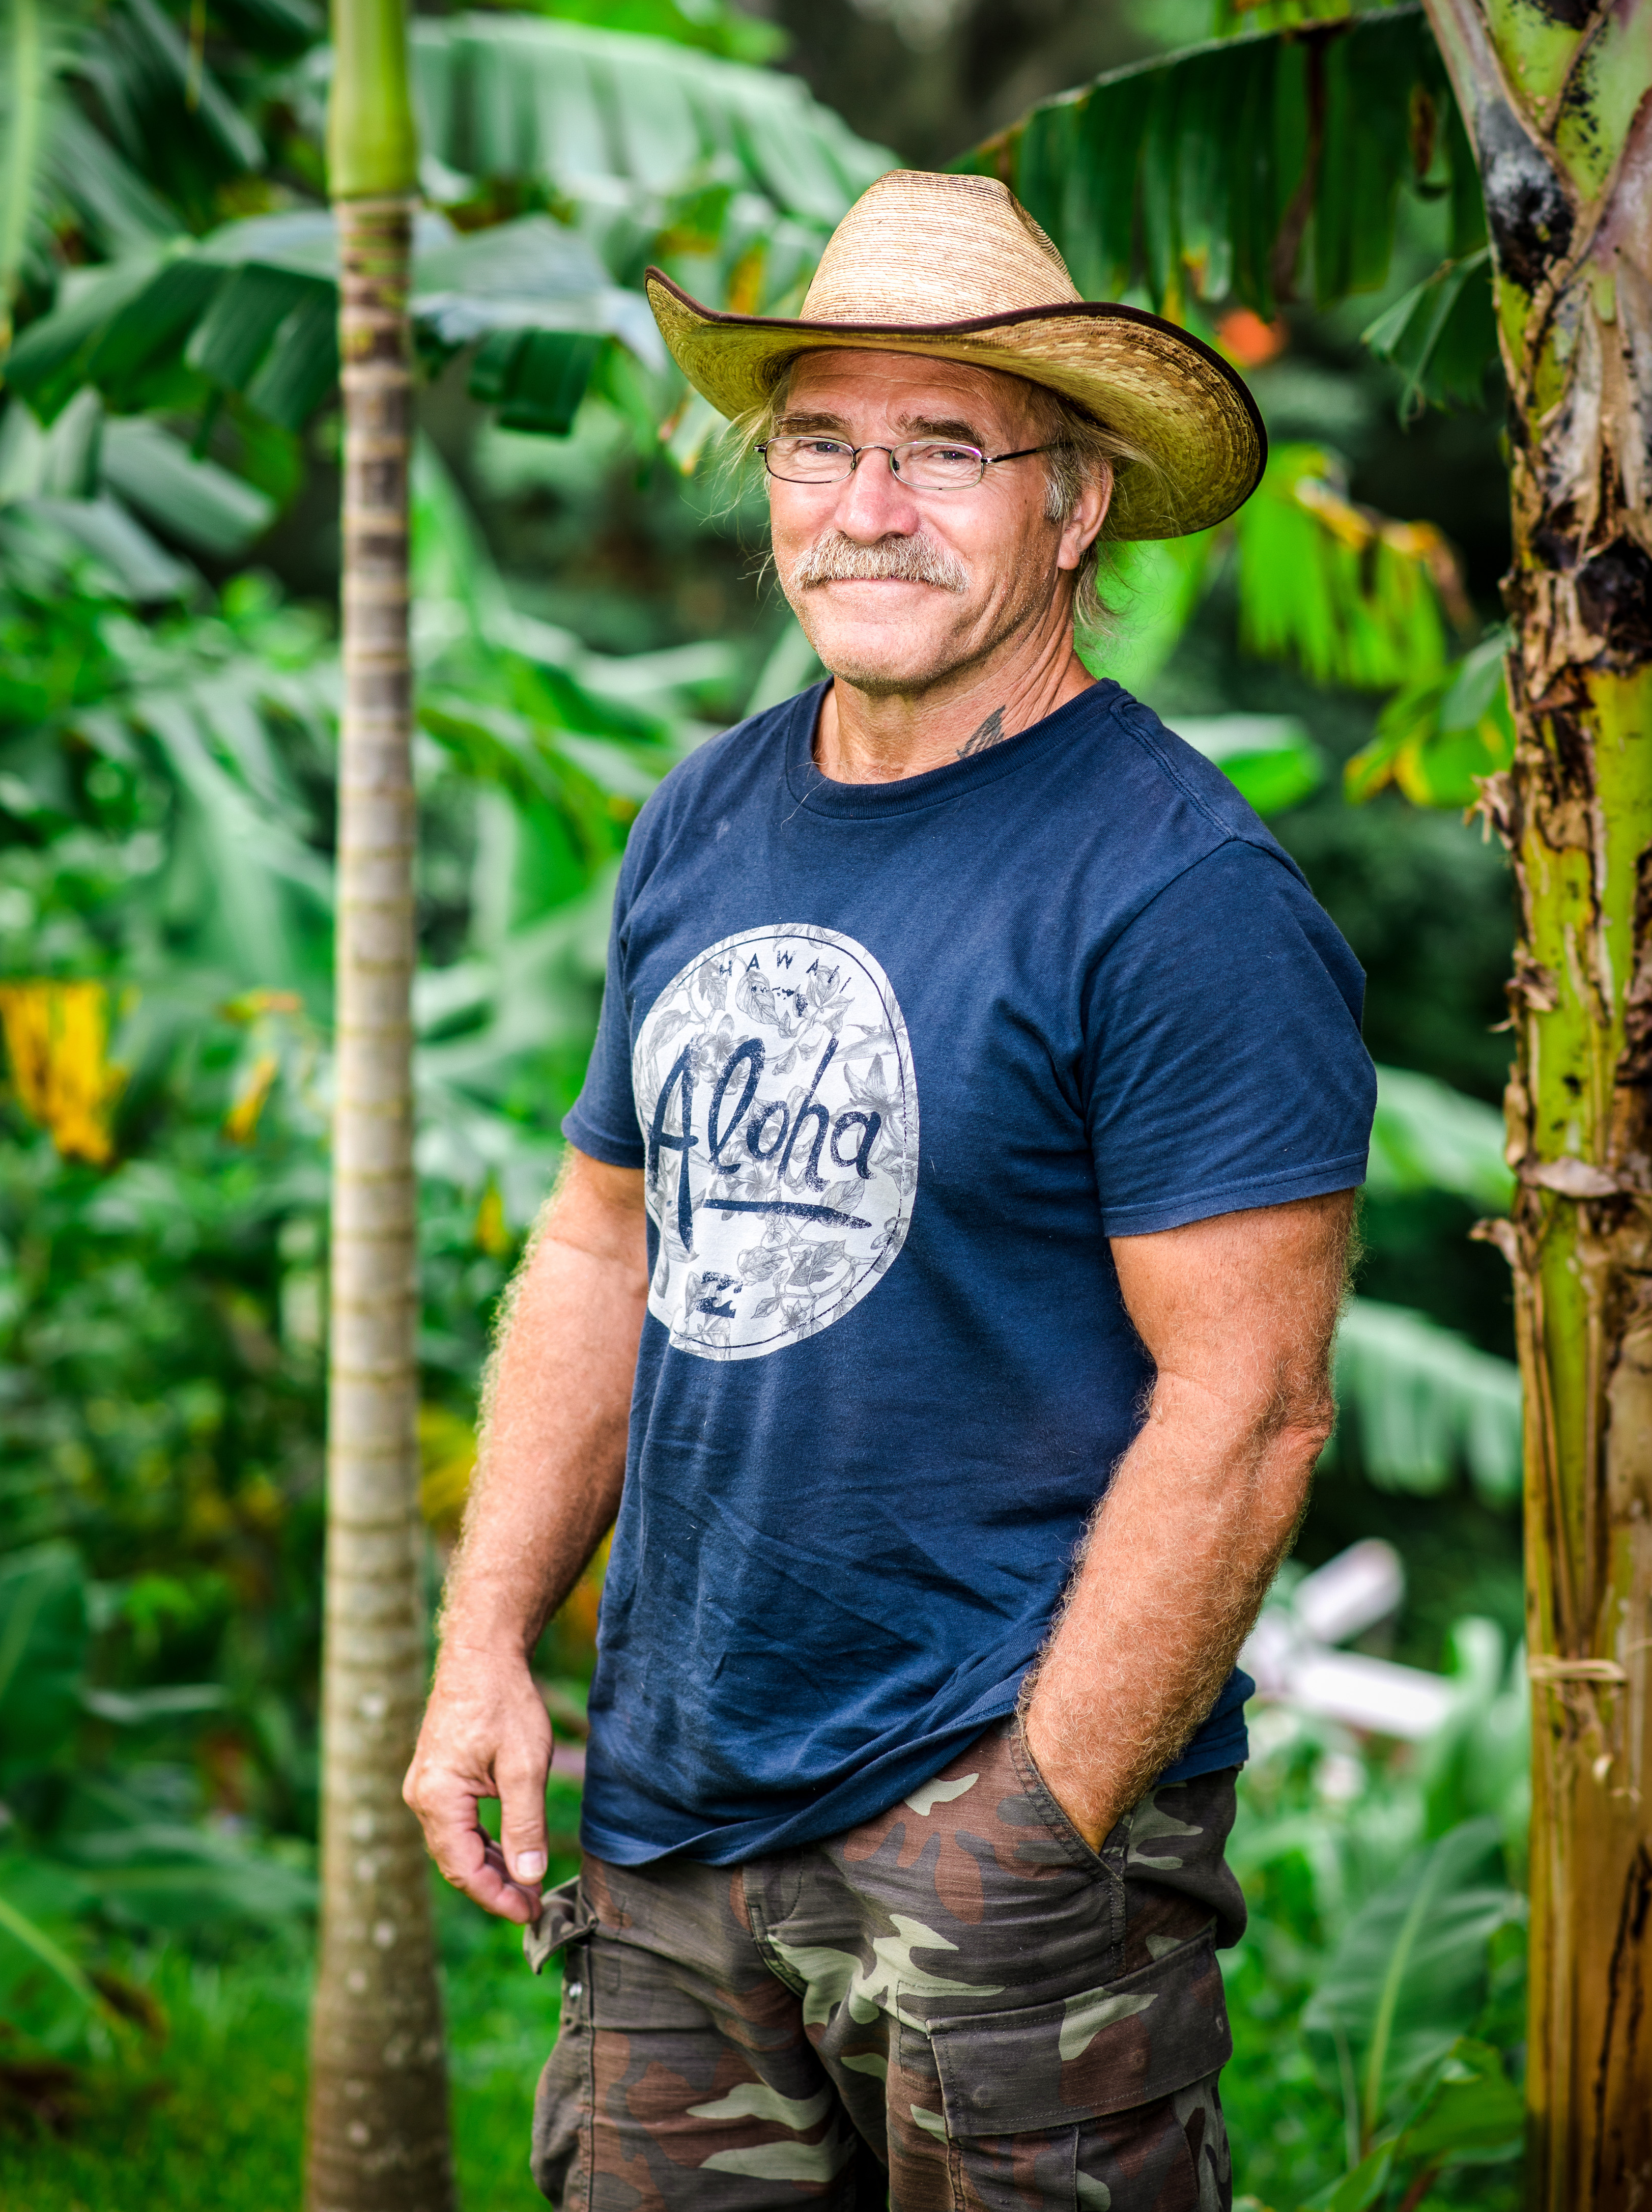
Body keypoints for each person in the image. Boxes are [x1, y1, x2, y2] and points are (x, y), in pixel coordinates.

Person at [405, 169, 1376, 2210]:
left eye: (948, 449)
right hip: (670, 1827)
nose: (868, 506)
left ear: (1075, 503)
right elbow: (606, 1238)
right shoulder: (708, 812)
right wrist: (486, 1636)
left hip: (997, 1840)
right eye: (820, 443)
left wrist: (1030, 1822)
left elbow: (1252, 1403)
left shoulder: (1176, 890)